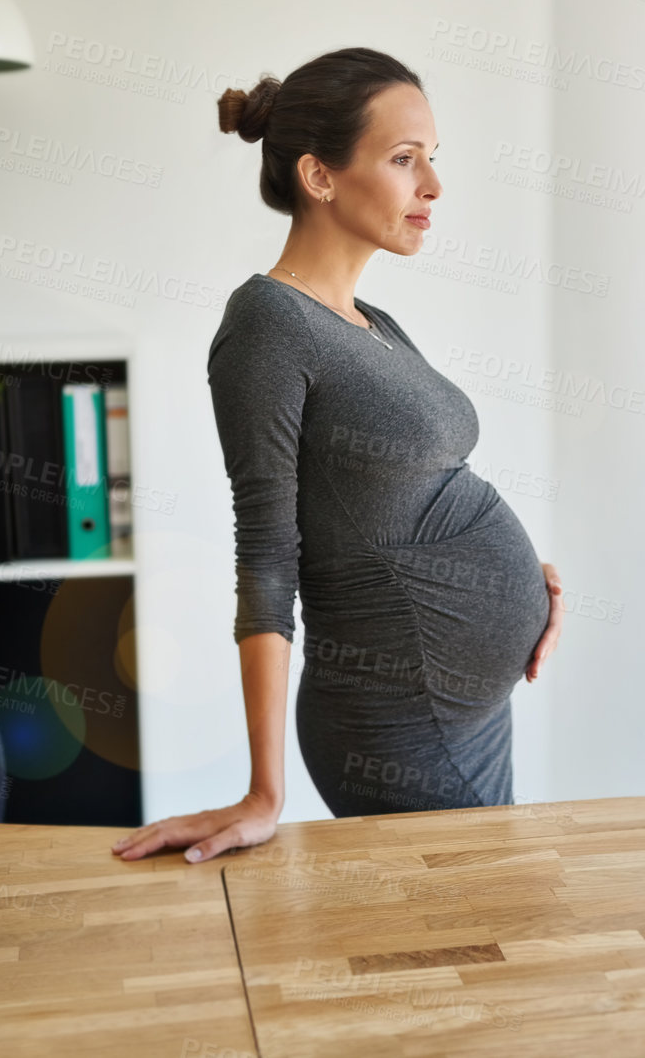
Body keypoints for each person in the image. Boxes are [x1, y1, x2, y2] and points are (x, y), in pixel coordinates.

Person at [111, 47, 564, 865]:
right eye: (402, 159)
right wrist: (263, 792)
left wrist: (529, 579)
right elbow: (267, 551)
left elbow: (410, 493)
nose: (432, 184)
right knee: (470, 950)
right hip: (397, 717)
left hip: (467, 710)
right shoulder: (266, 325)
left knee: (473, 953)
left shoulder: (371, 322)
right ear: (319, 177)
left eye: (432, 158)